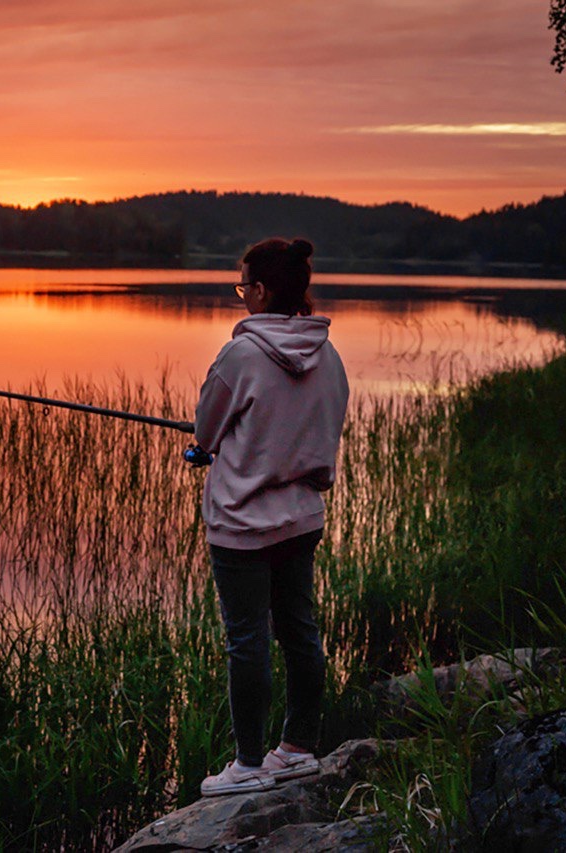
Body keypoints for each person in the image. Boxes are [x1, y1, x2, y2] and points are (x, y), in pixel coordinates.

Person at [194, 237, 350, 797]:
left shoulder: (241, 354)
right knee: (299, 632)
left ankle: (249, 765)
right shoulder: (329, 355)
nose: (242, 297)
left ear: (261, 290)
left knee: (247, 641)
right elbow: (325, 427)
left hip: (241, 526)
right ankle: (299, 749)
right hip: (303, 519)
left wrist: (201, 448)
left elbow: (206, 430)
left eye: (244, 287)